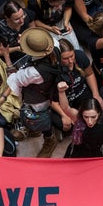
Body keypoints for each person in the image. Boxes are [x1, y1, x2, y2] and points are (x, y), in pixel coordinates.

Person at [8, 27, 62, 158]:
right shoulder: (55, 45)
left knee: (38, 117)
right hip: (48, 89)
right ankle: (32, 129)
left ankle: (49, 139)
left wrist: (8, 58)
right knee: (33, 116)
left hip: (38, 98)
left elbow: (14, 79)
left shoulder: (34, 73)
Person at [56, 83, 103, 162]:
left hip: (96, 153)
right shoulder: (77, 117)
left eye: (93, 117)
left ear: (99, 113)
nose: (89, 121)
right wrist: (61, 92)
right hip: (77, 152)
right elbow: (65, 108)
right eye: (86, 117)